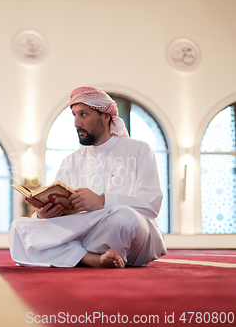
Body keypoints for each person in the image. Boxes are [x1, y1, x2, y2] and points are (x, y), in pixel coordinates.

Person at [9, 86, 167, 268]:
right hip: (84, 232)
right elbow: (62, 214)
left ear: (105, 116)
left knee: (124, 217)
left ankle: (73, 254)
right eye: (74, 115)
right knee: (19, 228)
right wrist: (44, 215)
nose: (76, 123)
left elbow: (151, 204)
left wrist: (101, 201)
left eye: (83, 114)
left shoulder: (139, 150)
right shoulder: (71, 161)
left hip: (131, 234)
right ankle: (93, 258)